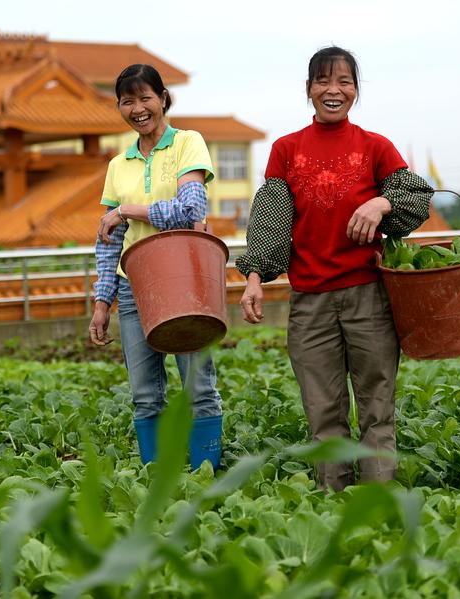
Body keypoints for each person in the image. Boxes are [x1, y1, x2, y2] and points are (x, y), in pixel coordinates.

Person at [236, 46, 433, 490]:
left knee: (377, 409)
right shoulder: (286, 150)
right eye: (323, 81)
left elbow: (418, 197)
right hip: (311, 303)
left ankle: (377, 500)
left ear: (355, 91)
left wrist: (382, 202)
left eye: (344, 81)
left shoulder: (374, 146)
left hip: (369, 296)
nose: (333, 90)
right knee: (324, 414)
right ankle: (333, 500)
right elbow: (270, 222)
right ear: (308, 90)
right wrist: (253, 279)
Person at [89, 64, 223, 471]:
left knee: (198, 387)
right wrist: (101, 300)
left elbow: (191, 210)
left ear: (163, 99)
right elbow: (109, 241)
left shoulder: (187, 144)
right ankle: (156, 478)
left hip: (186, 280)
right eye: (127, 101)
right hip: (133, 289)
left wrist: (130, 209)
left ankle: (206, 473)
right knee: (145, 395)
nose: (138, 108)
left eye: (145, 97)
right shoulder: (118, 165)